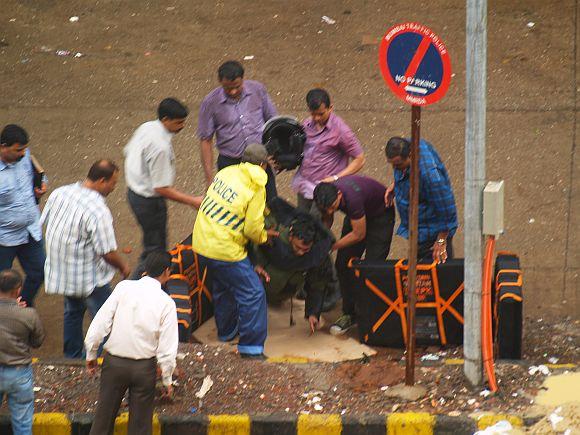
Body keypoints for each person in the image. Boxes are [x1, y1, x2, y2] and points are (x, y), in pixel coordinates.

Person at [192, 144, 277, 359]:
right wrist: (265, 238)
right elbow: (252, 229)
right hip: (225, 249)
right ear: (263, 164)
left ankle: (227, 331)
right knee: (253, 293)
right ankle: (251, 349)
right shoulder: (257, 185)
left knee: (223, 285)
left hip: (202, 242)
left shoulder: (226, 173)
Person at [41, 160, 130, 358]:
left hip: (62, 272)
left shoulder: (60, 193)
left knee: (72, 312)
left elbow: (45, 223)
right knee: (105, 319)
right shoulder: (97, 210)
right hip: (89, 278)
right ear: (101, 181)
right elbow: (107, 251)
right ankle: (98, 359)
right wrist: (124, 266)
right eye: (113, 183)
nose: (114, 187)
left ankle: (72, 356)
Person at [85, 250, 178, 435]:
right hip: (144, 369)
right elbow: (167, 347)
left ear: (145, 269)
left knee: (103, 420)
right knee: (141, 425)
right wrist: (167, 378)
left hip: (114, 365)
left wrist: (91, 353)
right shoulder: (167, 303)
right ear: (166, 272)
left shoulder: (123, 288)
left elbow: (100, 323)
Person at [124, 98, 202, 278]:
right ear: (166, 119)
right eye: (178, 122)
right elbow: (161, 188)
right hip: (149, 202)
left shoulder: (146, 127)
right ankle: (140, 285)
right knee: (155, 252)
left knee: (151, 245)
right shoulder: (160, 148)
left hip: (134, 193)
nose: (182, 126)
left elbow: (128, 152)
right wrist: (192, 201)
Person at [313, 175, 395, 335]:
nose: (330, 210)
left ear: (339, 195)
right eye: (326, 208)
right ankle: (349, 314)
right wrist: (323, 238)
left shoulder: (352, 198)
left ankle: (372, 316)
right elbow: (327, 218)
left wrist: (332, 246)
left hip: (380, 217)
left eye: (332, 206)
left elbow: (359, 234)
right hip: (355, 217)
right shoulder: (326, 193)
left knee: (371, 269)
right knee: (343, 265)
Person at [249, 198, 335, 332]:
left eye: (305, 250)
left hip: (285, 292)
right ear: (290, 236)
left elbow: (317, 283)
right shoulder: (271, 235)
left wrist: (313, 313)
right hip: (258, 283)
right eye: (297, 247)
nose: (301, 253)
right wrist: (253, 264)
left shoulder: (315, 254)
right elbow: (246, 246)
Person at [198, 60, 278, 200]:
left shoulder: (258, 90)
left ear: (243, 79)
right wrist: (209, 178)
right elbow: (205, 140)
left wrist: (276, 153)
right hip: (231, 164)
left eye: (237, 86)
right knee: (235, 209)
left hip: (260, 161)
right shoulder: (210, 103)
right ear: (220, 81)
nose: (233, 91)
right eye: (228, 88)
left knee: (270, 204)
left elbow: (274, 122)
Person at [384, 137, 458, 263]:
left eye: (398, 165)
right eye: (392, 165)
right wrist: (397, 184)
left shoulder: (430, 177)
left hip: (431, 236)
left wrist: (440, 241)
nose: (395, 168)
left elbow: (447, 209)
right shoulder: (410, 144)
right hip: (418, 231)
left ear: (410, 155)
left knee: (436, 276)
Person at [291, 88, 365, 212]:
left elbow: (360, 159)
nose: (316, 118)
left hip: (324, 189)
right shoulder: (307, 124)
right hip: (304, 184)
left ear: (330, 108)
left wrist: (335, 178)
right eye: (313, 113)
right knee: (301, 221)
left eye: (321, 114)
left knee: (317, 225)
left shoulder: (341, 131)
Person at [0, 124, 47, 307]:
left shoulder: (25, 157)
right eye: (18, 149)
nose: (23, 153)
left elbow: (36, 176)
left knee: (39, 272)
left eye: (24, 148)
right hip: (4, 238)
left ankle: (22, 305)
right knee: (2, 283)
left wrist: (40, 188)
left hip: (30, 231)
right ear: (3, 146)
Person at [0, 269, 45, 435]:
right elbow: (37, 341)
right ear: (18, 290)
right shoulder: (28, 314)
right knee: (23, 426)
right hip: (19, 373)